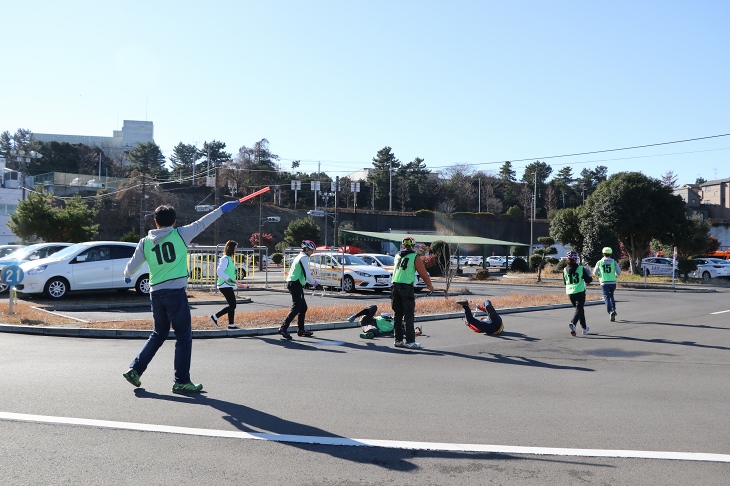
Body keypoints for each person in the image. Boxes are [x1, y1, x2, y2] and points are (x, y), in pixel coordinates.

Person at [122, 201, 240, 394]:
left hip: (155, 293)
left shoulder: (145, 242)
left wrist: (127, 276)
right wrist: (220, 209)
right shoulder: (181, 234)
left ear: (155, 221)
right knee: (184, 337)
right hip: (176, 293)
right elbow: (203, 222)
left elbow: (131, 267)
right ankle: (181, 381)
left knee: (158, 334)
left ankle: (135, 369)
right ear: (174, 221)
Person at [391, 236, 435, 349]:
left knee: (397, 314)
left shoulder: (397, 256)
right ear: (413, 246)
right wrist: (430, 286)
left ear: (403, 245)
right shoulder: (415, 257)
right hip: (406, 287)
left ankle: (398, 340)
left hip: (394, 286)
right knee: (408, 315)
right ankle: (410, 341)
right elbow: (423, 273)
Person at [278, 240, 322, 340]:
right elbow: (307, 273)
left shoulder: (300, 256)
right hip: (295, 283)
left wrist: (305, 283)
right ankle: (283, 328)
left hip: (295, 282)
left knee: (303, 307)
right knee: (296, 307)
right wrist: (315, 284)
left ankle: (301, 330)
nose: (312, 252)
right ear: (306, 249)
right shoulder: (303, 257)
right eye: (311, 250)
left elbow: (300, 272)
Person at [210, 240, 247, 330]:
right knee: (233, 305)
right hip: (224, 285)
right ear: (231, 248)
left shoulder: (229, 259)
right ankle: (215, 317)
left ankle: (231, 325)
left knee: (232, 305)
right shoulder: (225, 259)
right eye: (235, 248)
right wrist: (228, 278)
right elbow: (219, 271)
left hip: (228, 285)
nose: (236, 250)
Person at [563, 250, 593, 336]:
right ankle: (573, 323)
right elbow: (587, 280)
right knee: (579, 309)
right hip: (579, 291)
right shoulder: (581, 268)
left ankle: (584, 328)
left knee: (580, 310)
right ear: (576, 259)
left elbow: (565, 282)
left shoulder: (565, 270)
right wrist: (590, 278)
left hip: (570, 292)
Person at [348, 305, 421, 339]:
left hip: (373, 326)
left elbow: (405, 332)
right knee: (374, 307)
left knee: (373, 330)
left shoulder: (396, 328)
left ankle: (368, 334)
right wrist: (389, 317)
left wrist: (414, 332)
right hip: (371, 319)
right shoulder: (390, 318)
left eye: (403, 322)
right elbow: (383, 314)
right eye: (402, 320)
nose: (402, 321)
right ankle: (355, 316)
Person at [593, 246, 621, 322]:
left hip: (604, 282)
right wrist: (614, 274)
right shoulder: (614, 262)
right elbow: (619, 273)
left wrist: (599, 274)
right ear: (610, 254)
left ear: (603, 254)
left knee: (606, 297)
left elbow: (595, 273)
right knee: (611, 295)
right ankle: (614, 309)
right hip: (612, 282)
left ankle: (610, 311)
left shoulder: (599, 262)